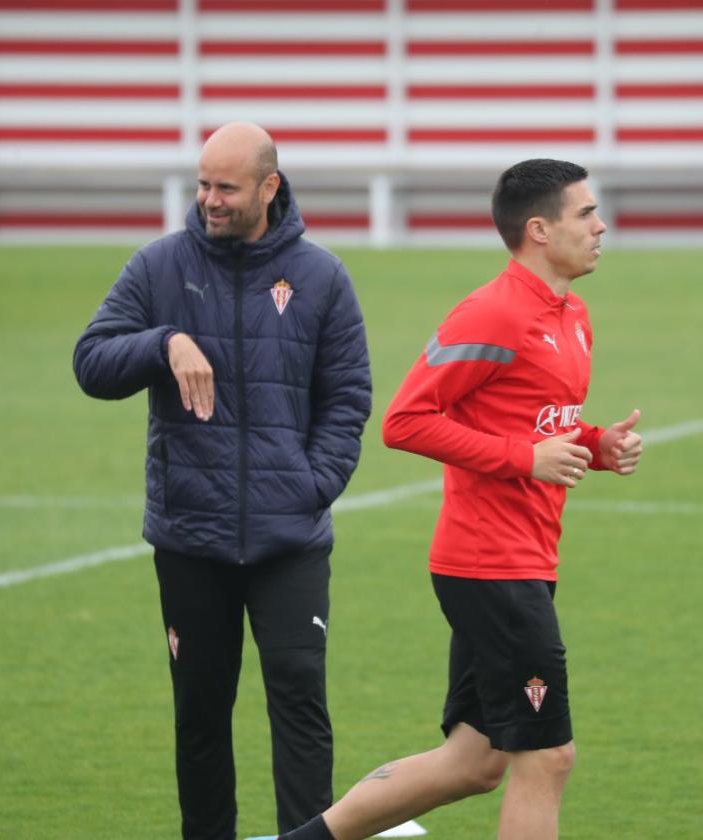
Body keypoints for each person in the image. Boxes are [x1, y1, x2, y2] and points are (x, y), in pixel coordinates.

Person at [280, 158, 643, 840]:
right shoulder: (493, 312)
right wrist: (525, 460)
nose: (601, 226)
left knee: (474, 762)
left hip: (526, 560)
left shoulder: (573, 315)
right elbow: (405, 421)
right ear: (539, 230)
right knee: (549, 754)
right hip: (489, 565)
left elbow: (535, 420)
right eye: (586, 214)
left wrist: (596, 445)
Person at [72, 122, 372, 840]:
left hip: (290, 540)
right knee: (200, 715)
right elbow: (91, 363)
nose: (209, 199)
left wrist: (311, 485)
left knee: (300, 705)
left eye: (226, 187)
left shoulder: (322, 276)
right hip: (191, 537)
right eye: (203, 183)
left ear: (269, 187)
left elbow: (349, 397)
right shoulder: (158, 267)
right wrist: (164, 341)